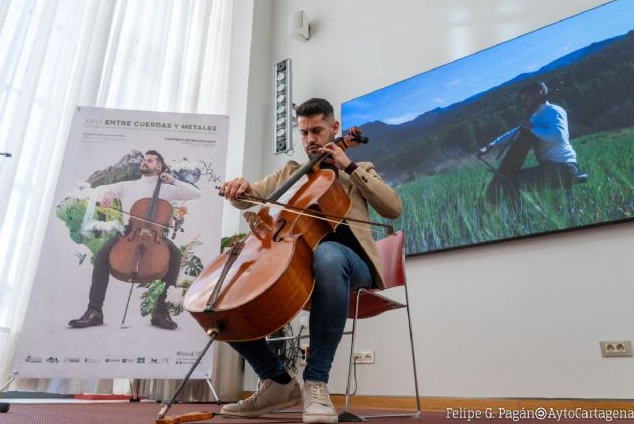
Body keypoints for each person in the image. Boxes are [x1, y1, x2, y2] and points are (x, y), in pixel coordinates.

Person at [218, 98, 402, 423]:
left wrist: (349, 166)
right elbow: (253, 196)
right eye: (303, 133)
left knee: (329, 255)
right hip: (299, 264)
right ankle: (276, 382)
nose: (310, 140)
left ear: (334, 128)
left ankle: (316, 382)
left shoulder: (359, 171)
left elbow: (393, 207)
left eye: (316, 130)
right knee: (224, 288)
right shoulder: (292, 172)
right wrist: (240, 189)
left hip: (351, 266)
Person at [69, 150, 201, 330]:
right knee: (102, 256)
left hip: (156, 236)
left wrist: (174, 180)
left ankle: (160, 312)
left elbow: (195, 194)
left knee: (175, 256)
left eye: (150, 160)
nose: (145, 162)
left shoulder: (168, 189)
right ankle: (94, 311)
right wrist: (106, 195)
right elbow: (103, 189)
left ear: (159, 166)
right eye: (144, 160)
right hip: (128, 233)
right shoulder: (128, 185)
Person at [478, 81, 578, 199]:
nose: (524, 104)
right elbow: (515, 132)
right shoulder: (537, 116)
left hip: (563, 167)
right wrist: (490, 145)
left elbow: (558, 136)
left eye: (526, 100)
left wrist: (532, 128)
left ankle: (520, 217)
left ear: (539, 94)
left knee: (510, 182)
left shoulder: (554, 111)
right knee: (509, 180)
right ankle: (520, 215)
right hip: (551, 167)